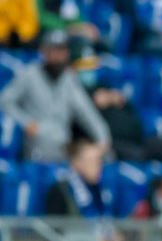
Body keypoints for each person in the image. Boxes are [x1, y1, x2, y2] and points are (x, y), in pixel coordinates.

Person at [0, 30, 110, 162]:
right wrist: (25, 122)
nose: (60, 55)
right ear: (44, 51)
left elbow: (86, 112)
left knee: (102, 156)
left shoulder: (68, 79)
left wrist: (103, 138)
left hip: (62, 146)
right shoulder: (29, 74)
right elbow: (5, 101)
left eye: (63, 50)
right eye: (56, 50)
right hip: (36, 144)